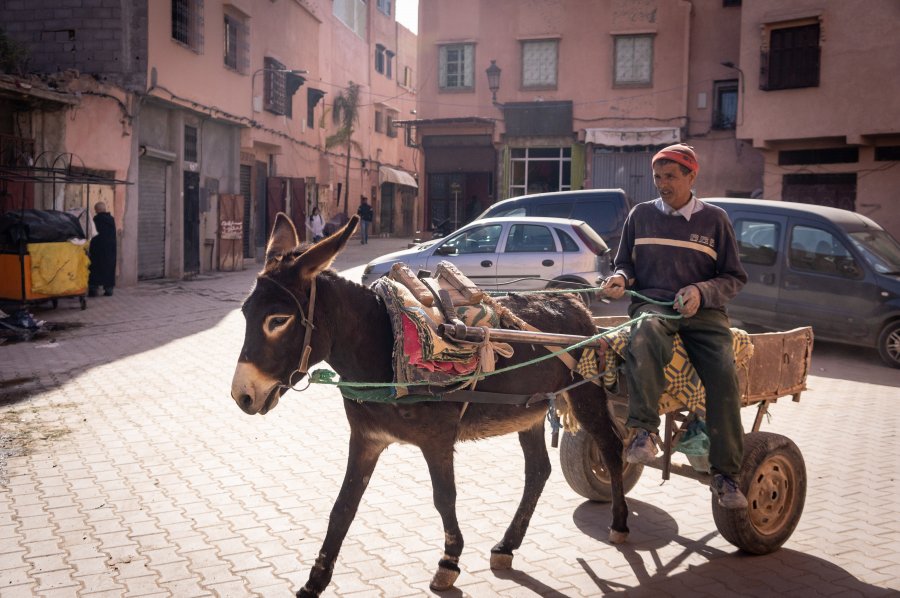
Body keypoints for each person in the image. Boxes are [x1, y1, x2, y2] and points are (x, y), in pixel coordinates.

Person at [602, 143, 750, 509]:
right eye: (657, 176)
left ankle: (726, 476)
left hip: (704, 314)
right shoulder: (640, 216)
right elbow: (625, 266)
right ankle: (644, 433)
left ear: (691, 176)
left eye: (670, 176)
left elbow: (734, 277)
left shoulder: (715, 219)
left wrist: (702, 291)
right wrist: (620, 278)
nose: (662, 183)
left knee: (724, 375)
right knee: (646, 330)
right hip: (653, 305)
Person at [88, 201, 117, 297]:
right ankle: (109, 290)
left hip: (97, 250)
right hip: (110, 250)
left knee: (95, 269)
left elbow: (92, 234)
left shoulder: (95, 220)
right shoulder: (111, 220)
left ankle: (93, 290)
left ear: (96, 210)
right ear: (105, 209)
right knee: (108, 269)